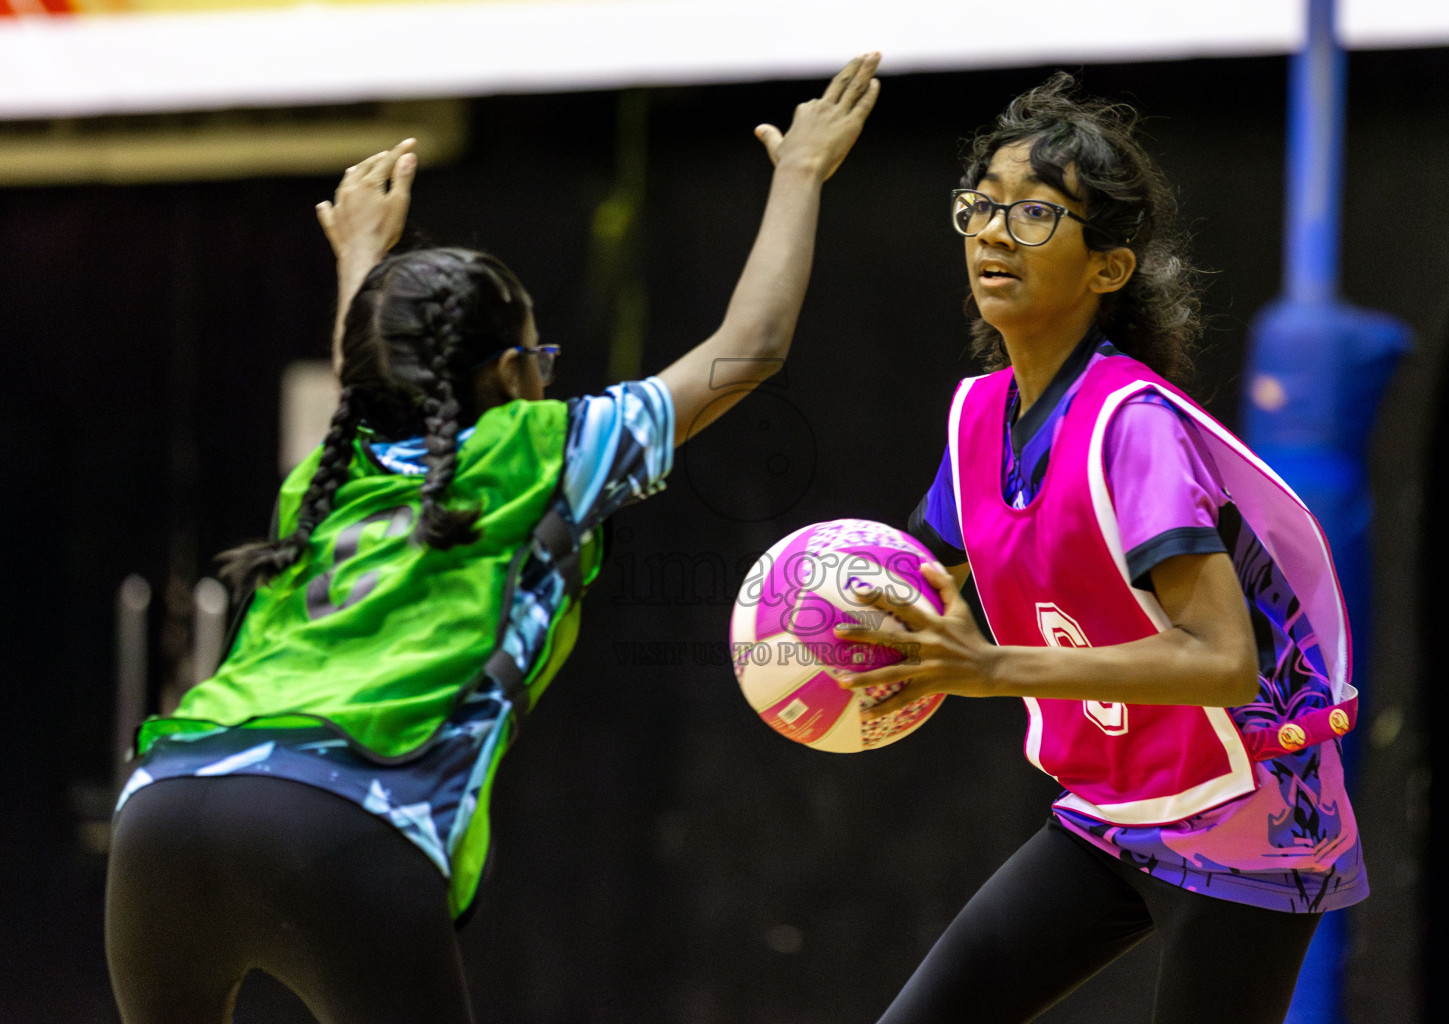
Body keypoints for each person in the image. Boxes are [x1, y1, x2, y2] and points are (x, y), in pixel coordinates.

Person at [104, 53, 881, 1024]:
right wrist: (801, 173)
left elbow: (375, 370)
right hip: (344, 816)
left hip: (167, 804)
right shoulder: (545, 447)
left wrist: (359, 258)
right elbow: (751, 344)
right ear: (513, 368)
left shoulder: (326, 473)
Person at [831, 73, 1366, 1024]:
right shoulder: (979, 419)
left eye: (1035, 213)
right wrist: (817, 639)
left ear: (1106, 268)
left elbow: (1221, 658)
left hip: (1253, 818)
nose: (994, 232)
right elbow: (908, 582)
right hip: (1117, 810)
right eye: (982, 207)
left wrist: (990, 666)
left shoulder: (1133, 427)